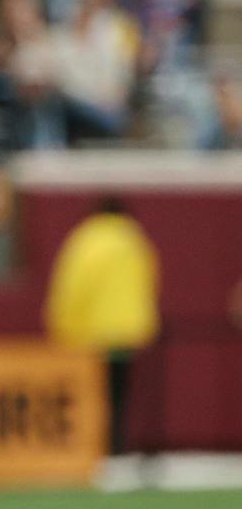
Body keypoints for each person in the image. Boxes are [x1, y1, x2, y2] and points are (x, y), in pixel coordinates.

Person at [45, 195, 159, 455]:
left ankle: (96, 447)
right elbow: (148, 283)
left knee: (93, 395)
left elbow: (73, 287)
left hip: (93, 333)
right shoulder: (135, 241)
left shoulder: (87, 240)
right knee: (119, 394)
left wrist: (62, 326)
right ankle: (117, 446)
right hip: (127, 333)